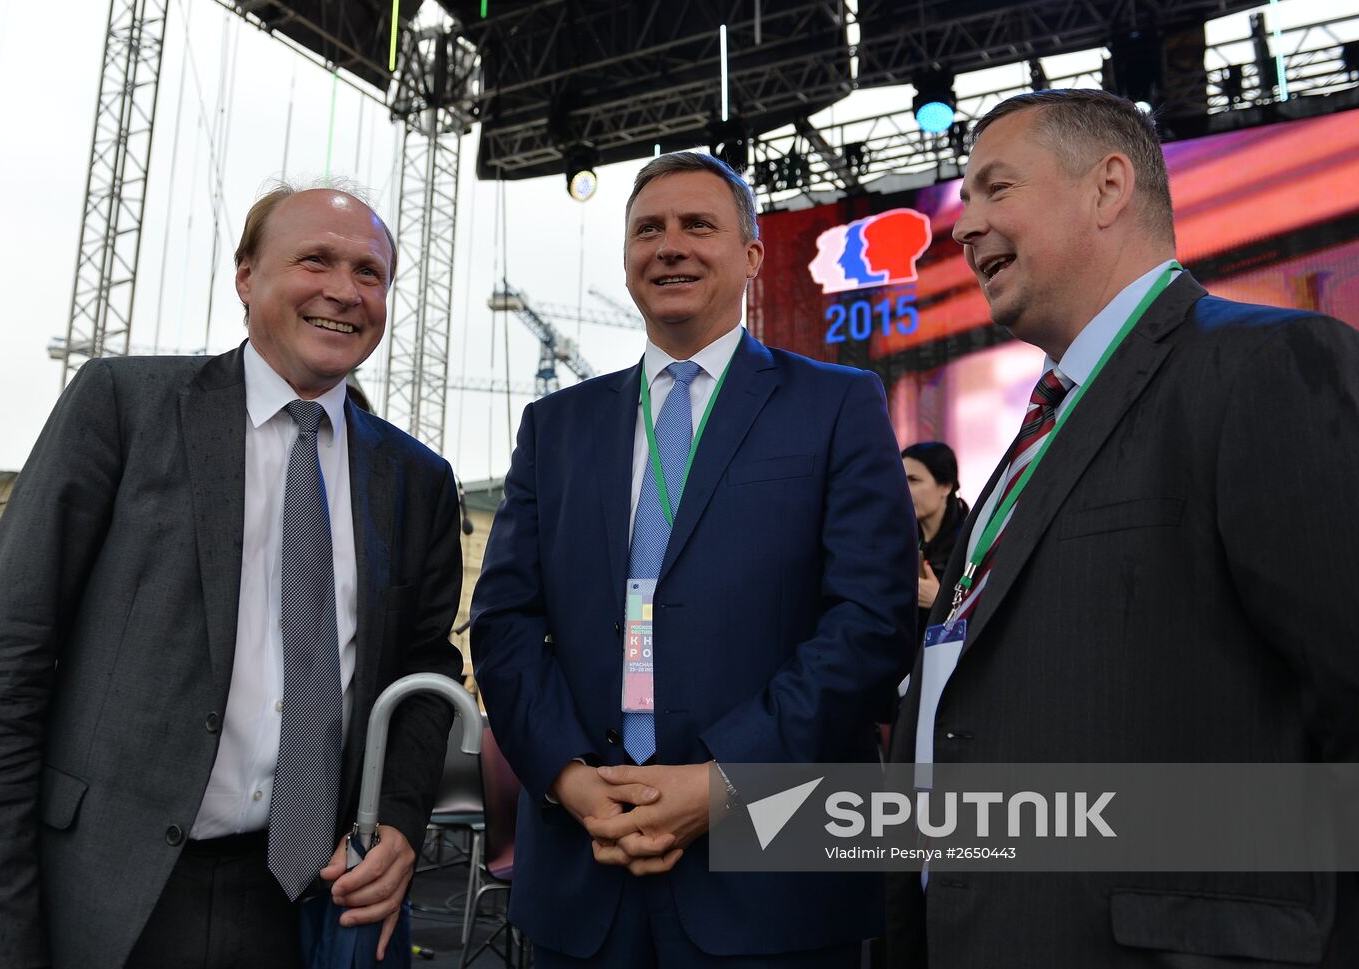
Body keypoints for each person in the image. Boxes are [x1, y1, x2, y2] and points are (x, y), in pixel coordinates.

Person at [886, 89, 1359, 966]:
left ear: (1108, 188)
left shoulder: (1266, 366)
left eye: (996, 188)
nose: (964, 226)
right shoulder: (1041, 427)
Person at [0, 182, 465, 969]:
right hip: (109, 896)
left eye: (369, 272)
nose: (344, 290)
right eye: (315, 260)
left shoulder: (417, 479)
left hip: (307, 903)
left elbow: (424, 670)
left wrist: (398, 817)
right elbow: (3, 669)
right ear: (246, 276)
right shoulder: (123, 407)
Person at [470, 151, 918, 968]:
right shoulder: (555, 427)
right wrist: (571, 779)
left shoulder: (836, 405)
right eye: (648, 229)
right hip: (584, 869)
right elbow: (503, 625)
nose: (669, 245)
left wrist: (722, 781)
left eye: (697, 225)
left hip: (772, 880)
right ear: (627, 259)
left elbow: (870, 622)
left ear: (751, 256)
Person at [900, 441, 968, 639]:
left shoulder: (969, 545)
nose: (903, 489)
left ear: (945, 486)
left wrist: (940, 602)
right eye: (901, 480)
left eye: (913, 480)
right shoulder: (901, 543)